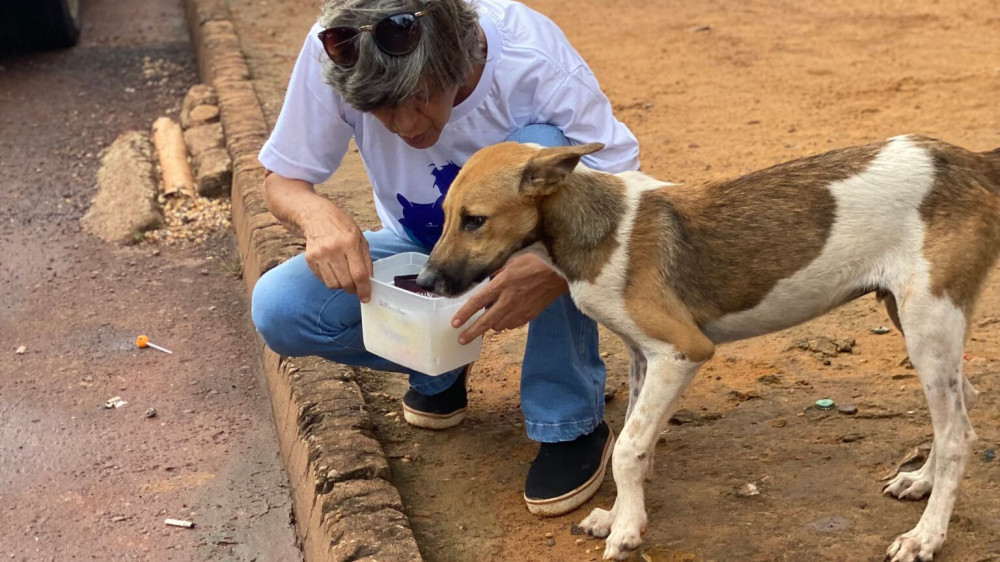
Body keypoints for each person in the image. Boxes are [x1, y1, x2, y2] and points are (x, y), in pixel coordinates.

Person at [251, 0, 639, 517]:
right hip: (425, 249)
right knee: (280, 310)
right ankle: (439, 366)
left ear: (458, 56)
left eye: (417, 98)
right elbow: (283, 179)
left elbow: (620, 182)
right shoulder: (338, 47)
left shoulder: (529, 56)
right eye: (379, 110)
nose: (402, 126)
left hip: (529, 242)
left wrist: (551, 266)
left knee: (551, 156)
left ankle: (567, 420)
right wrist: (314, 214)